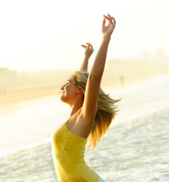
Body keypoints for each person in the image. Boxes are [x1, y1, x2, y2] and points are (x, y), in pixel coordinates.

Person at [51, 14, 119, 182]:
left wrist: (105, 38)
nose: (62, 87)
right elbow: (83, 79)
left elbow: (93, 78)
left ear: (80, 91)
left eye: (67, 83)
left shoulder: (85, 116)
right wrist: (86, 57)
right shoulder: (74, 118)